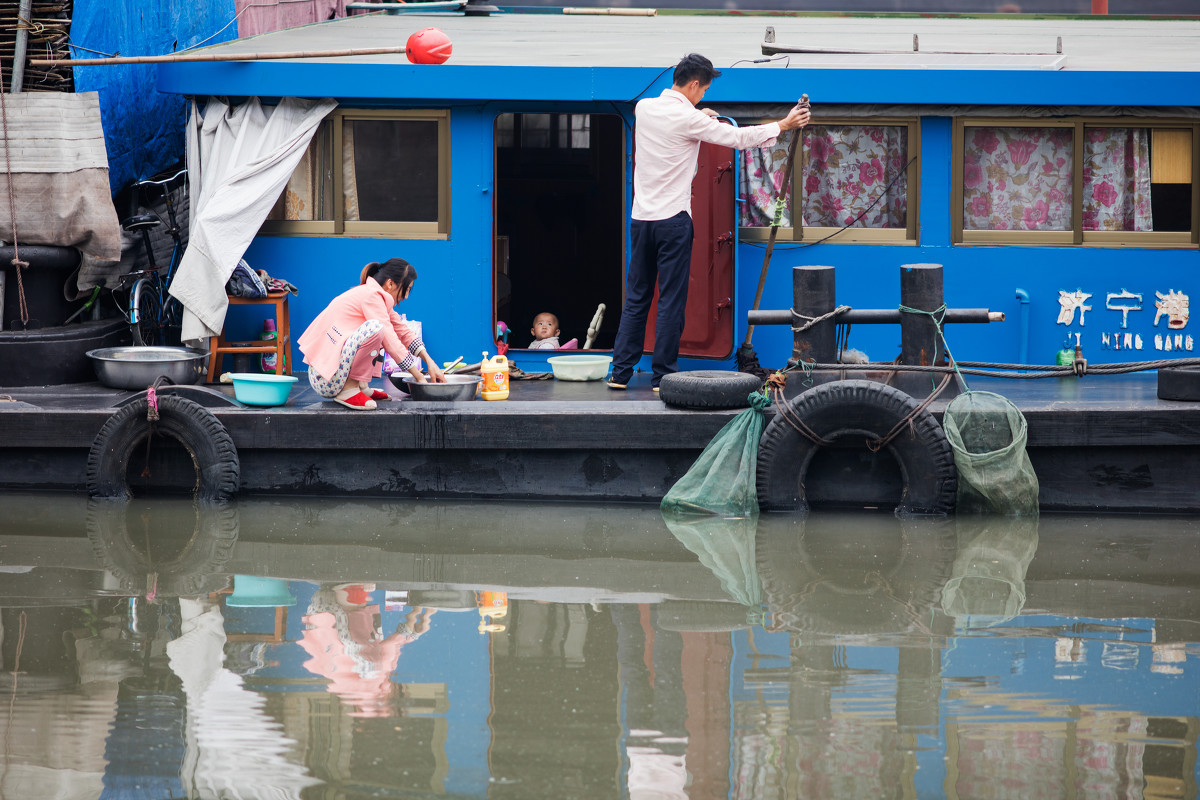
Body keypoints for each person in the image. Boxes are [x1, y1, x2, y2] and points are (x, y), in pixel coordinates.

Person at [608, 53, 811, 391]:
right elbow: (738, 139)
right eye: (702, 91)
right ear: (693, 85)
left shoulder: (644, 109)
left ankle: (620, 373)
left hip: (641, 220)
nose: (703, 97)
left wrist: (696, 114)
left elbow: (679, 119)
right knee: (671, 299)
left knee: (637, 297)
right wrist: (784, 125)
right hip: (673, 221)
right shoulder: (690, 120)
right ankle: (662, 377)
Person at [298, 258, 445, 410]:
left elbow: (403, 331)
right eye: (406, 289)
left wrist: (430, 362)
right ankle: (349, 391)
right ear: (390, 284)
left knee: (380, 328)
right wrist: (420, 378)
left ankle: (361, 387)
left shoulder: (376, 297)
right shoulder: (371, 296)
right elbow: (391, 340)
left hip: (332, 375)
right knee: (377, 328)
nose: (406, 296)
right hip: (325, 379)